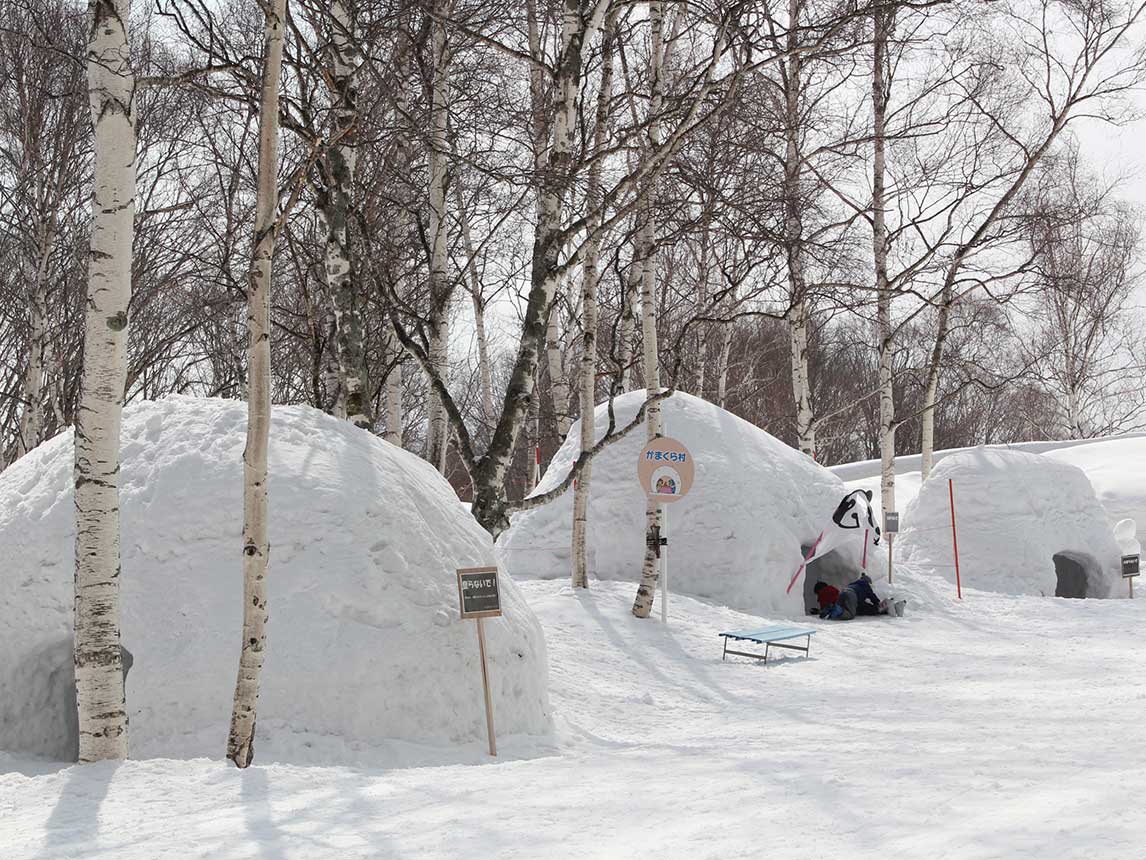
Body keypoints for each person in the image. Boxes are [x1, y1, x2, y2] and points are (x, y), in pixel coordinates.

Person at [813, 574, 891, 620]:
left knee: (847, 608)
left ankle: (835, 608)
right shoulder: (865, 584)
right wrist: (878, 604)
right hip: (851, 595)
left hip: (843, 592)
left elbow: (860, 604)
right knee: (850, 614)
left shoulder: (853, 584)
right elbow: (872, 596)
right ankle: (835, 608)